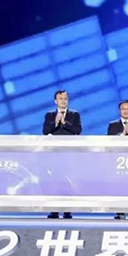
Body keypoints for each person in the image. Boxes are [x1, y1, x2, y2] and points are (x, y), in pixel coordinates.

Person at [42, 89, 82, 219]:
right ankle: (54, 209)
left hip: (69, 153)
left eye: (65, 99)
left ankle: (67, 210)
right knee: (54, 180)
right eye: (60, 99)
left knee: (68, 180)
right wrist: (55, 122)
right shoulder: (49, 115)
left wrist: (65, 122)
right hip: (54, 153)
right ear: (55, 101)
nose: (63, 101)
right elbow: (45, 131)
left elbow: (78, 130)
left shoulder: (74, 114)